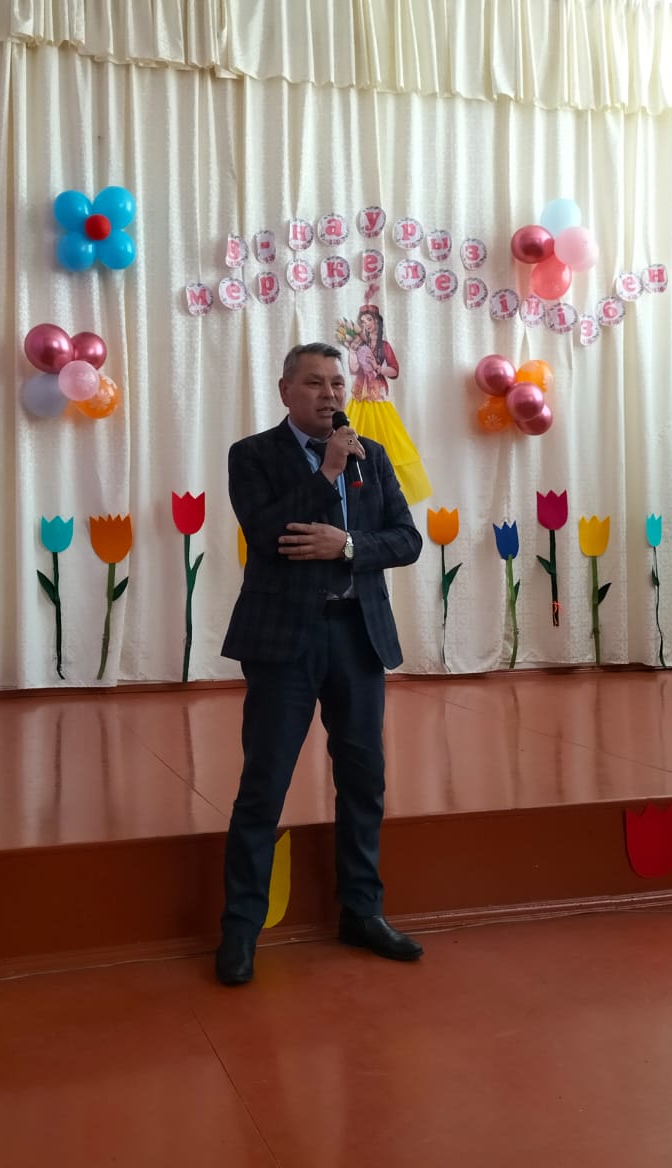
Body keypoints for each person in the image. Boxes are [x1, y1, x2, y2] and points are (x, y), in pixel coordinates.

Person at [216, 342, 424, 986]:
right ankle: (241, 928)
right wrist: (326, 472)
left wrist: (349, 544)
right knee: (265, 783)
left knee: (363, 780)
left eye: (337, 383)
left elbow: (407, 540)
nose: (330, 394)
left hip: (357, 637)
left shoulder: (373, 455)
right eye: (314, 383)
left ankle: (362, 911)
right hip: (284, 642)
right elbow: (269, 535)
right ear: (285, 391)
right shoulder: (253, 455)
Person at [343, 287, 432, 506]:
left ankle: (389, 493)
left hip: (379, 400)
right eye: (363, 321)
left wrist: (379, 368)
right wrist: (352, 351)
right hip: (360, 399)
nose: (366, 324)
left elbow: (394, 370)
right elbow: (353, 369)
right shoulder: (359, 344)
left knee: (389, 446)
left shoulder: (384, 346)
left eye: (369, 320)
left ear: (376, 322)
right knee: (353, 441)